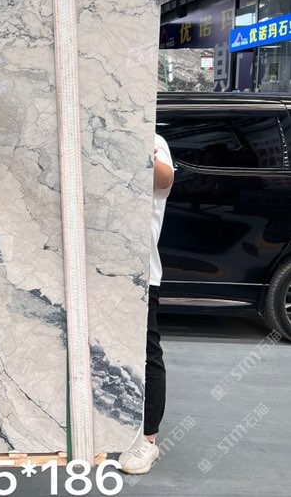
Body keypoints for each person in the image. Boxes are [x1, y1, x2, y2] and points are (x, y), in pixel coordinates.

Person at [119, 133, 174, 475]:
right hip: (94, 274)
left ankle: (148, 440)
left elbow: (165, 180)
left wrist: (140, 148)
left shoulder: (153, 140)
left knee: (146, 352)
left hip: (140, 273)